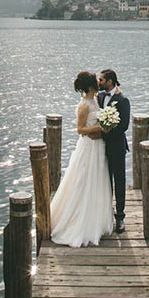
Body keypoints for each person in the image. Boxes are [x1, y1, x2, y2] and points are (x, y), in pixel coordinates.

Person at [50, 71, 114, 247]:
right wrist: (99, 128)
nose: (98, 82)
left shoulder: (95, 100)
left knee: (97, 180)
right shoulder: (84, 105)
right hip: (88, 148)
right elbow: (80, 129)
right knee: (84, 180)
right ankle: (79, 221)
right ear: (91, 85)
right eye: (96, 80)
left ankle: (97, 219)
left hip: (99, 147)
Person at [97, 68, 130, 233]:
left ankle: (120, 217)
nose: (99, 82)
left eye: (101, 80)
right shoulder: (100, 96)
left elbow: (124, 125)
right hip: (100, 147)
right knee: (104, 180)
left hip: (116, 147)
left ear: (110, 81)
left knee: (119, 181)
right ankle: (105, 214)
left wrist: (109, 130)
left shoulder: (122, 100)